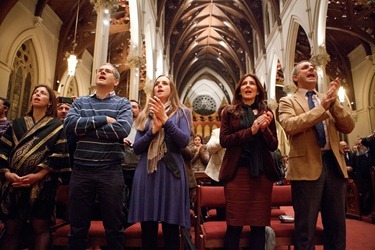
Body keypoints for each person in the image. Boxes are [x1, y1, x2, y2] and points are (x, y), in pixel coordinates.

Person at [278, 60, 355, 250]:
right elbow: (291, 125)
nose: (311, 68)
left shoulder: (327, 98)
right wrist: (322, 108)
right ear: (295, 78)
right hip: (306, 166)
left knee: (337, 226)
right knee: (306, 228)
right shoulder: (287, 101)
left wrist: (334, 103)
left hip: (334, 164)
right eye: (305, 67)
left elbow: (349, 126)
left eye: (313, 67)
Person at [63, 63, 132, 249]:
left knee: (114, 227)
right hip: (81, 170)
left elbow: (122, 130)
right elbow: (69, 127)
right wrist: (104, 120)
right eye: (100, 70)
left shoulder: (123, 103)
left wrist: (86, 130)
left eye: (108, 71)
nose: (102, 72)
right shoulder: (80, 102)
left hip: (110, 171)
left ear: (116, 81)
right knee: (77, 228)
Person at [0, 84, 70, 250]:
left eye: (43, 93)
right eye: (35, 92)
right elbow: (3, 150)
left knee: (40, 227)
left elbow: (59, 154)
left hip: (42, 184)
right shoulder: (16, 124)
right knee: (12, 228)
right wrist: (7, 174)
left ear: (50, 102)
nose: (37, 95)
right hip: (14, 183)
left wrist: (38, 176)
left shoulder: (56, 126)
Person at [128, 75, 192, 250]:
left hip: (172, 172)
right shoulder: (144, 115)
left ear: (172, 89)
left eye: (165, 83)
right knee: (148, 226)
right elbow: (137, 148)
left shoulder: (182, 112)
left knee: (171, 226)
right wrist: (153, 131)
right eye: (157, 83)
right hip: (147, 170)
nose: (160, 86)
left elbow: (184, 141)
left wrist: (165, 121)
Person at [219, 73, 278, 250]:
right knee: (234, 225)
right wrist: (250, 131)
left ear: (258, 90)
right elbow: (224, 140)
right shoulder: (229, 112)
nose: (248, 86)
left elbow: (273, 145)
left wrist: (264, 129)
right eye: (244, 83)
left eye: (252, 83)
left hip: (261, 175)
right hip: (237, 173)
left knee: (259, 227)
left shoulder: (267, 112)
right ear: (240, 89)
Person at [122, 99, 141, 214]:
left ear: (139, 110)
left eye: (134, 107)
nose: (131, 109)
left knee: (136, 198)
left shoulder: (143, 126)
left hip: (137, 167)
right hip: (122, 166)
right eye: (129, 107)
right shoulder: (121, 124)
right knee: (122, 198)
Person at [352, 139, 373, 214]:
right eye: (357, 144)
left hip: (372, 177)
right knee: (366, 195)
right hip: (362, 179)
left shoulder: (371, 152)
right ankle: (367, 211)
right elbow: (354, 167)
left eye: (360, 144)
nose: (359, 146)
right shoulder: (355, 155)